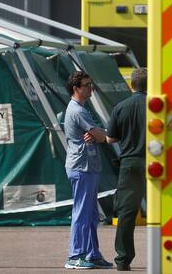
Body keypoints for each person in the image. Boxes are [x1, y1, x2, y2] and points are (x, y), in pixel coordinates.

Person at [63, 70, 113, 270]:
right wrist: (100, 134)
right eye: (86, 85)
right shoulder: (78, 111)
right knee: (82, 213)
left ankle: (92, 255)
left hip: (88, 167)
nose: (91, 88)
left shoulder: (82, 109)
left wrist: (98, 133)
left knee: (91, 214)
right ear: (76, 89)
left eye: (91, 84)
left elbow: (98, 134)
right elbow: (101, 136)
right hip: (81, 168)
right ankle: (75, 256)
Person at [106, 68, 147, 271]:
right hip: (156, 163)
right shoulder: (157, 107)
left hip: (130, 164)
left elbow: (110, 138)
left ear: (132, 85)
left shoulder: (120, 107)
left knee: (127, 214)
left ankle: (123, 260)